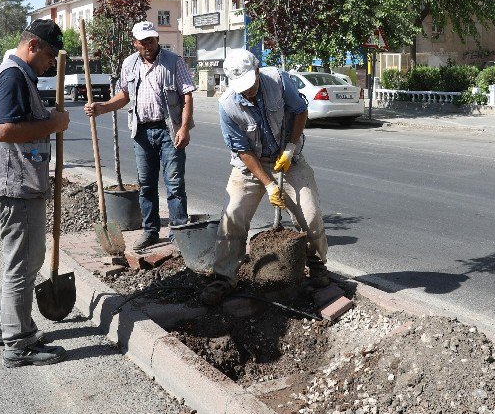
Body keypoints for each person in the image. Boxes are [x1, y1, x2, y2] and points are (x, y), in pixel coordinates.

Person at [0, 19, 70, 368]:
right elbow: (4, 130)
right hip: (14, 185)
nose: (49, 64)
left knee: (20, 261)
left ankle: (4, 325)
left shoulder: (12, 72)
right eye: (48, 56)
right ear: (32, 46)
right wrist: (54, 124)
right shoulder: (13, 76)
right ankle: (20, 344)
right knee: (23, 264)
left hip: (9, 181)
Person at [200, 50, 330, 306]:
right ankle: (224, 277)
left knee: (310, 213)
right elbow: (241, 149)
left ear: (257, 71)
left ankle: (316, 266)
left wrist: (291, 147)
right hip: (250, 165)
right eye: (242, 88)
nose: (247, 92)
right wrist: (269, 184)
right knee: (233, 214)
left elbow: (300, 111)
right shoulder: (227, 105)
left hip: (288, 159)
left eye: (251, 84)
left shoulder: (279, 81)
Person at [84, 20, 195, 250]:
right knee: (146, 185)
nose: (148, 44)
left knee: (174, 184)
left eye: (151, 40)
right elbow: (124, 95)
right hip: (141, 132)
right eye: (142, 41)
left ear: (157, 40)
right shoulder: (129, 64)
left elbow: (187, 96)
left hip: (169, 130)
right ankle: (150, 231)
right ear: (134, 43)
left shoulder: (174, 62)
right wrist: (102, 107)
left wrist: (184, 128)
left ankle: (179, 230)